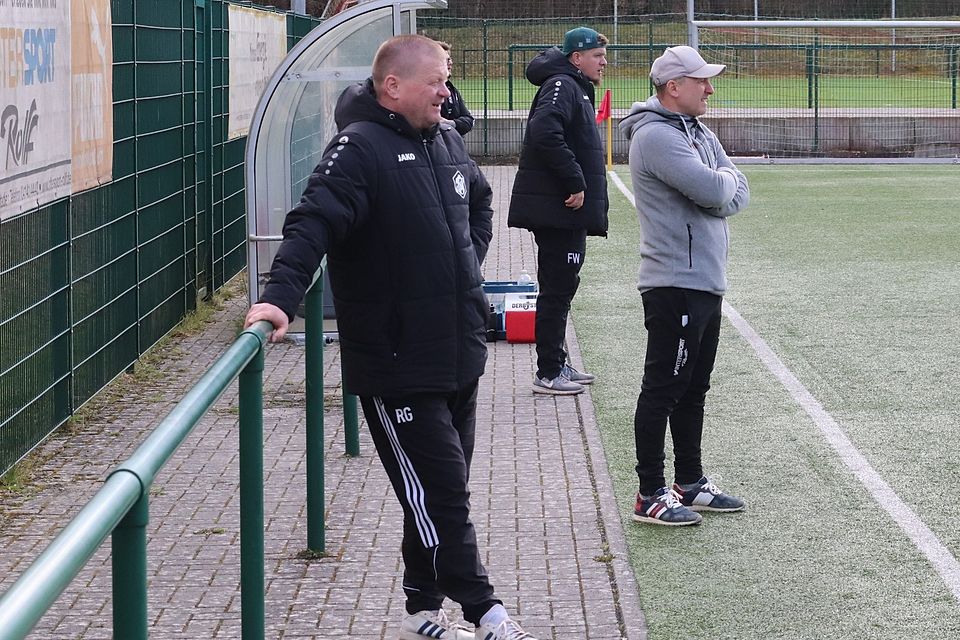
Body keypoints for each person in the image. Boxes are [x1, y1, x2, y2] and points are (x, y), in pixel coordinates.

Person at [244, 35, 538, 640]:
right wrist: (279, 299)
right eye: (436, 80)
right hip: (397, 360)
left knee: (434, 493)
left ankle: (421, 610)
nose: (445, 92)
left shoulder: (446, 141)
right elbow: (313, 222)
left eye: (447, 79)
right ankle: (486, 611)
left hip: (458, 351)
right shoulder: (358, 150)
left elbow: (479, 204)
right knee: (441, 496)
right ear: (393, 87)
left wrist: (463, 265)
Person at [618, 45, 750, 526]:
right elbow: (719, 190)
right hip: (674, 283)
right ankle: (650, 492)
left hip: (705, 281)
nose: (711, 88)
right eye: (702, 81)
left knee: (694, 387)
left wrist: (720, 187)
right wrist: (720, 187)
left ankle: (689, 482)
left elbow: (739, 187)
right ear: (675, 86)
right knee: (664, 388)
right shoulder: (655, 136)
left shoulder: (698, 131)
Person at [508, 26, 610, 396]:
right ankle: (549, 372)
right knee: (556, 289)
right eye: (597, 56)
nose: (603, 63)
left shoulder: (573, 85)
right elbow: (544, 130)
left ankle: (558, 361)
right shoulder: (562, 86)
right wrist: (574, 181)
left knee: (563, 287)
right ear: (576, 57)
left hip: (563, 210)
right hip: (559, 209)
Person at [437, 40, 475, 136]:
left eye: (450, 59)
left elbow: (469, 121)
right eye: (447, 60)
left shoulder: (451, 89)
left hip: (454, 147)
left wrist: (450, 123)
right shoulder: (427, 90)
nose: (451, 63)